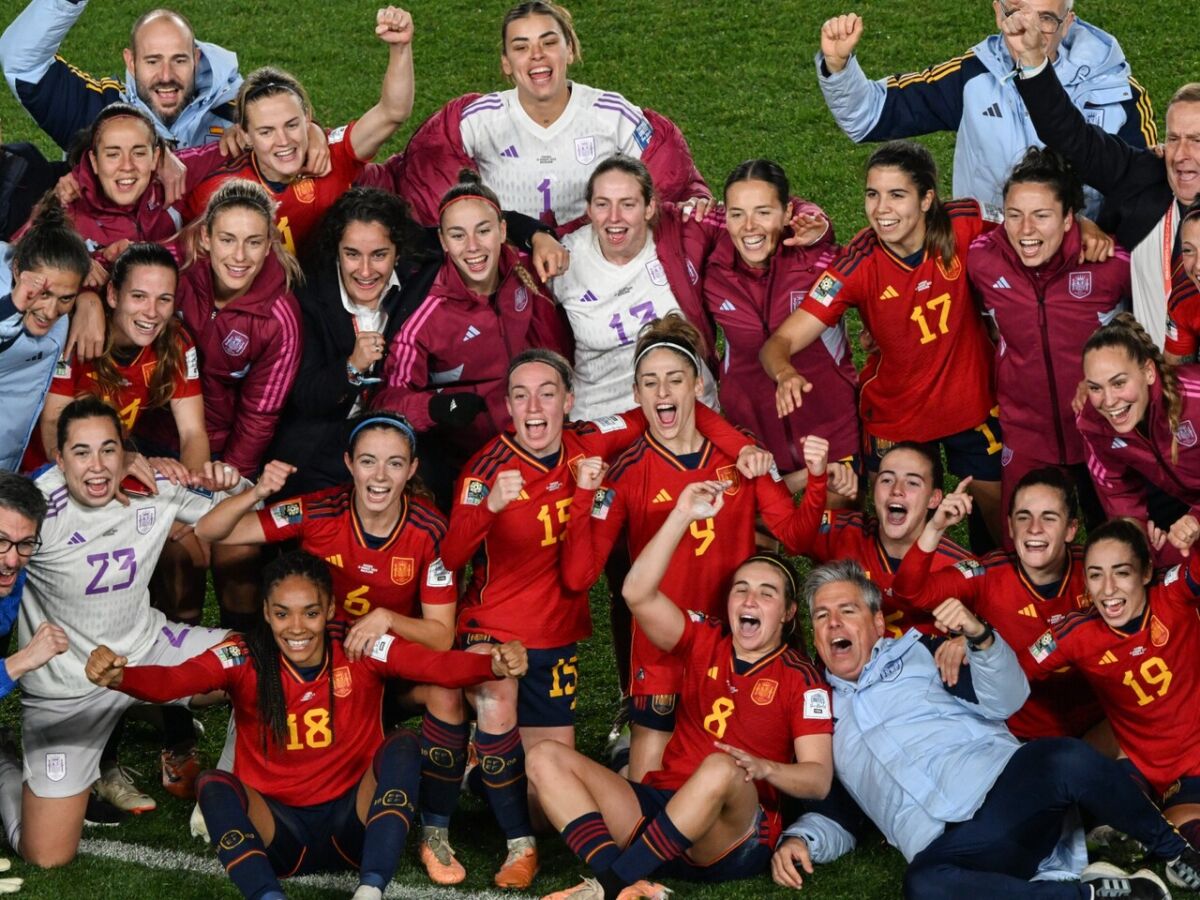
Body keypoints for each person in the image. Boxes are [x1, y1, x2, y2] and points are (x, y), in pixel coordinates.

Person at [84, 549, 529, 900]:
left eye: (310, 613)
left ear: (331, 608)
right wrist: (123, 677)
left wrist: (493, 663)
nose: (297, 627)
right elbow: (175, 681)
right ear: (265, 611)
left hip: (354, 827)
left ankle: (371, 888)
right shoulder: (242, 654)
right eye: (282, 613)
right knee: (214, 784)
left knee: (403, 746)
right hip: (278, 835)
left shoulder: (360, 646)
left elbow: (436, 666)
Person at [772, 558, 1200, 899]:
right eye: (822, 616)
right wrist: (803, 839)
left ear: (879, 624)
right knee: (923, 885)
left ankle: (1177, 852)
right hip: (948, 847)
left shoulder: (922, 651)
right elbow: (837, 803)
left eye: (847, 611)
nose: (833, 624)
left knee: (1063, 756)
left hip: (1006, 797)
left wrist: (980, 639)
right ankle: (1094, 895)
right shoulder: (816, 708)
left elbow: (1009, 698)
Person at [194, 411, 475, 885]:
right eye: (368, 461)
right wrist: (259, 492)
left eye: (393, 463)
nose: (379, 476)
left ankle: (436, 831)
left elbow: (441, 636)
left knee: (446, 694)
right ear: (349, 463)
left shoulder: (431, 531)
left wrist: (387, 620)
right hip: (320, 672)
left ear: (411, 469)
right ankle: (255, 779)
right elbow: (210, 532)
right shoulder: (318, 510)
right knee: (259, 672)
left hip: (387, 670)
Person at [529, 482, 833, 900]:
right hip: (661, 817)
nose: (750, 599)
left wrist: (766, 769)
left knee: (721, 766)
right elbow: (636, 592)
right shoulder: (705, 639)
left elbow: (818, 780)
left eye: (766, 594)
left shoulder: (801, 678)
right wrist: (682, 515)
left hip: (731, 837)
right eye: (741, 589)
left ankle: (607, 886)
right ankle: (624, 882)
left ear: (787, 613)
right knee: (545, 756)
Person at [438, 349, 672, 889]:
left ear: (569, 402)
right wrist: (489, 507)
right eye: (521, 395)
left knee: (548, 808)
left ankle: (478, 770)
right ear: (508, 408)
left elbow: (654, 408)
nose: (534, 406)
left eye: (547, 393)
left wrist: (740, 445)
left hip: (556, 639)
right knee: (500, 703)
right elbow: (448, 558)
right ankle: (489, 770)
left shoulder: (588, 442)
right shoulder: (485, 470)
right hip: (494, 630)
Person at [560, 315, 807, 781]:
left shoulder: (741, 454)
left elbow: (795, 536)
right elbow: (578, 578)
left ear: (697, 385)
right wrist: (582, 497)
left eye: (675, 380)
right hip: (660, 652)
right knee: (647, 794)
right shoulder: (627, 469)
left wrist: (811, 481)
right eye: (650, 383)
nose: (663, 393)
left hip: (736, 645)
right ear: (635, 393)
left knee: (736, 782)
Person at [5, 395, 241, 868]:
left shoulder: (146, 482)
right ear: (59, 457)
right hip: (66, 690)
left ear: (125, 452)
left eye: (108, 450)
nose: (97, 466)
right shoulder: (37, 511)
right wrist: (20, 661)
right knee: (47, 855)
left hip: (147, 650)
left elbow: (238, 505)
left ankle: (228, 797)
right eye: (82, 452)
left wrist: (229, 482)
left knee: (252, 659)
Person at [761, 139, 1004, 547]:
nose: (881, 209)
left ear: (927, 199)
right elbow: (780, 341)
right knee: (898, 540)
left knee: (1001, 533)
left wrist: (1082, 226)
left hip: (971, 405)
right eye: (873, 194)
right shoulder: (857, 264)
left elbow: (1033, 224)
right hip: (897, 416)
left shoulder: (967, 221)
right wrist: (785, 372)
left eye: (896, 195)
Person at [267, 187, 565, 495]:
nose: (366, 270)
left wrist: (539, 236)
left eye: (379, 255)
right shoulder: (309, 302)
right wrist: (352, 367)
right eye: (352, 254)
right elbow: (307, 396)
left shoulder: (423, 256)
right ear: (337, 252)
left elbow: (478, 219)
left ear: (397, 250)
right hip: (333, 425)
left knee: (436, 475)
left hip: (403, 417)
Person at [362, 0, 708, 226]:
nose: (537, 55)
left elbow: (673, 179)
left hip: (596, 264)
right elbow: (418, 173)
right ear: (506, 64)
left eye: (549, 42)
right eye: (521, 47)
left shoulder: (612, 115)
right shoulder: (479, 118)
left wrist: (697, 202)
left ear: (569, 50)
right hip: (512, 271)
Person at [815, 4, 1153, 217]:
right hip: (989, 270)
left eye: (1046, 20)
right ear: (998, 12)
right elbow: (868, 115)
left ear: (1068, 23)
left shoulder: (1117, 92)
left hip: (1081, 276)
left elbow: (1143, 194)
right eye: (1018, 16)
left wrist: (1091, 233)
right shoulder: (973, 75)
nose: (1029, 34)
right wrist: (838, 65)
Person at [373, 173, 571, 501]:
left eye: (484, 230)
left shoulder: (529, 272)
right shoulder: (426, 314)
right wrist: (435, 407)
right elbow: (386, 402)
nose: (474, 247)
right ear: (443, 242)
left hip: (543, 435)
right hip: (471, 461)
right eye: (458, 235)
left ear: (503, 230)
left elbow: (556, 344)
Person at [1003, 5, 1190, 348]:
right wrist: (1032, 61)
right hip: (1145, 379)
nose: (1181, 154)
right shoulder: (1141, 175)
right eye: (1174, 138)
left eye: (1196, 140)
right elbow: (1070, 135)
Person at [968, 146, 1130, 524]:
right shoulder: (982, 260)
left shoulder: (1110, 265)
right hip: (1025, 435)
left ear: (1069, 218)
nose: (1025, 230)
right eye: (1014, 215)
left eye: (1041, 216)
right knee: (1028, 545)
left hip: (1104, 432)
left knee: (1121, 545)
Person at [1025, 520, 1200, 858]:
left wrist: (1195, 536)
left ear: (1146, 572)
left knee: (1185, 833)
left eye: (1121, 573)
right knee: (1088, 804)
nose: (1107, 589)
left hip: (1193, 759)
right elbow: (1010, 673)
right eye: (1095, 575)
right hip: (1137, 760)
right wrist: (977, 642)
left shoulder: (1172, 596)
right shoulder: (1076, 634)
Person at [178, 7, 415, 256]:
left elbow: (392, 112)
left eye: (292, 125)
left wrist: (400, 48)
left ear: (308, 119)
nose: (283, 141)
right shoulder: (218, 191)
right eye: (266, 132)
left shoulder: (332, 155)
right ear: (246, 135)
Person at [891, 467, 1103, 741]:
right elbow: (909, 592)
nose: (1034, 528)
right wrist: (935, 527)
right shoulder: (987, 574)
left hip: (1101, 721)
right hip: (1021, 737)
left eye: (1049, 518)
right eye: (1023, 517)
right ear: (1011, 528)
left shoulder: (1097, 569)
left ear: (1071, 529)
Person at [699, 159, 859, 492]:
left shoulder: (820, 262)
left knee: (838, 539)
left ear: (788, 214)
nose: (749, 227)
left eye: (763, 212)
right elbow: (682, 211)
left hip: (832, 427)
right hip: (752, 434)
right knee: (758, 541)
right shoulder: (712, 270)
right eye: (737, 214)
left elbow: (873, 290)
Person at [548, 155, 720, 420]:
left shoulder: (679, 232)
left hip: (688, 411)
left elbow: (755, 216)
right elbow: (498, 269)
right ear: (589, 209)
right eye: (602, 204)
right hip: (602, 417)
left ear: (649, 208)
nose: (614, 217)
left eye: (628, 204)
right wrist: (535, 235)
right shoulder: (565, 257)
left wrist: (807, 216)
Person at [29, 243, 207, 474]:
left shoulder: (177, 341)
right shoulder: (77, 331)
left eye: (164, 299)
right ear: (113, 295)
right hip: (44, 469)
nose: (152, 312)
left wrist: (192, 486)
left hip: (107, 469)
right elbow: (53, 424)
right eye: (139, 296)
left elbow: (193, 432)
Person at [788, 437, 971, 638]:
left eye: (912, 483)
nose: (897, 490)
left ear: (934, 498)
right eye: (886, 480)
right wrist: (811, 477)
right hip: (846, 665)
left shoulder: (958, 566)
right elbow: (756, 515)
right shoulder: (841, 531)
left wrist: (967, 644)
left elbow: (998, 634)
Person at [0, 4, 241, 151]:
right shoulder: (98, 113)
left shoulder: (239, 114)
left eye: (179, 60)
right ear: (131, 62)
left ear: (196, 59)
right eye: (152, 61)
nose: (166, 76)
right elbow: (22, 64)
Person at [1077, 314, 1200, 563]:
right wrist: (1137, 534)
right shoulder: (1092, 423)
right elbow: (1119, 494)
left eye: (1119, 383)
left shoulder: (1195, 398)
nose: (1109, 401)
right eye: (1095, 388)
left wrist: (1196, 518)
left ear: (1149, 373)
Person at [0, 202, 90, 472]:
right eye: (43, 294)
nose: (51, 312)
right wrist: (12, 307)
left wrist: (89, 301)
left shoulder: (64, 318)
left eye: (65, 298)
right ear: (17, 271)